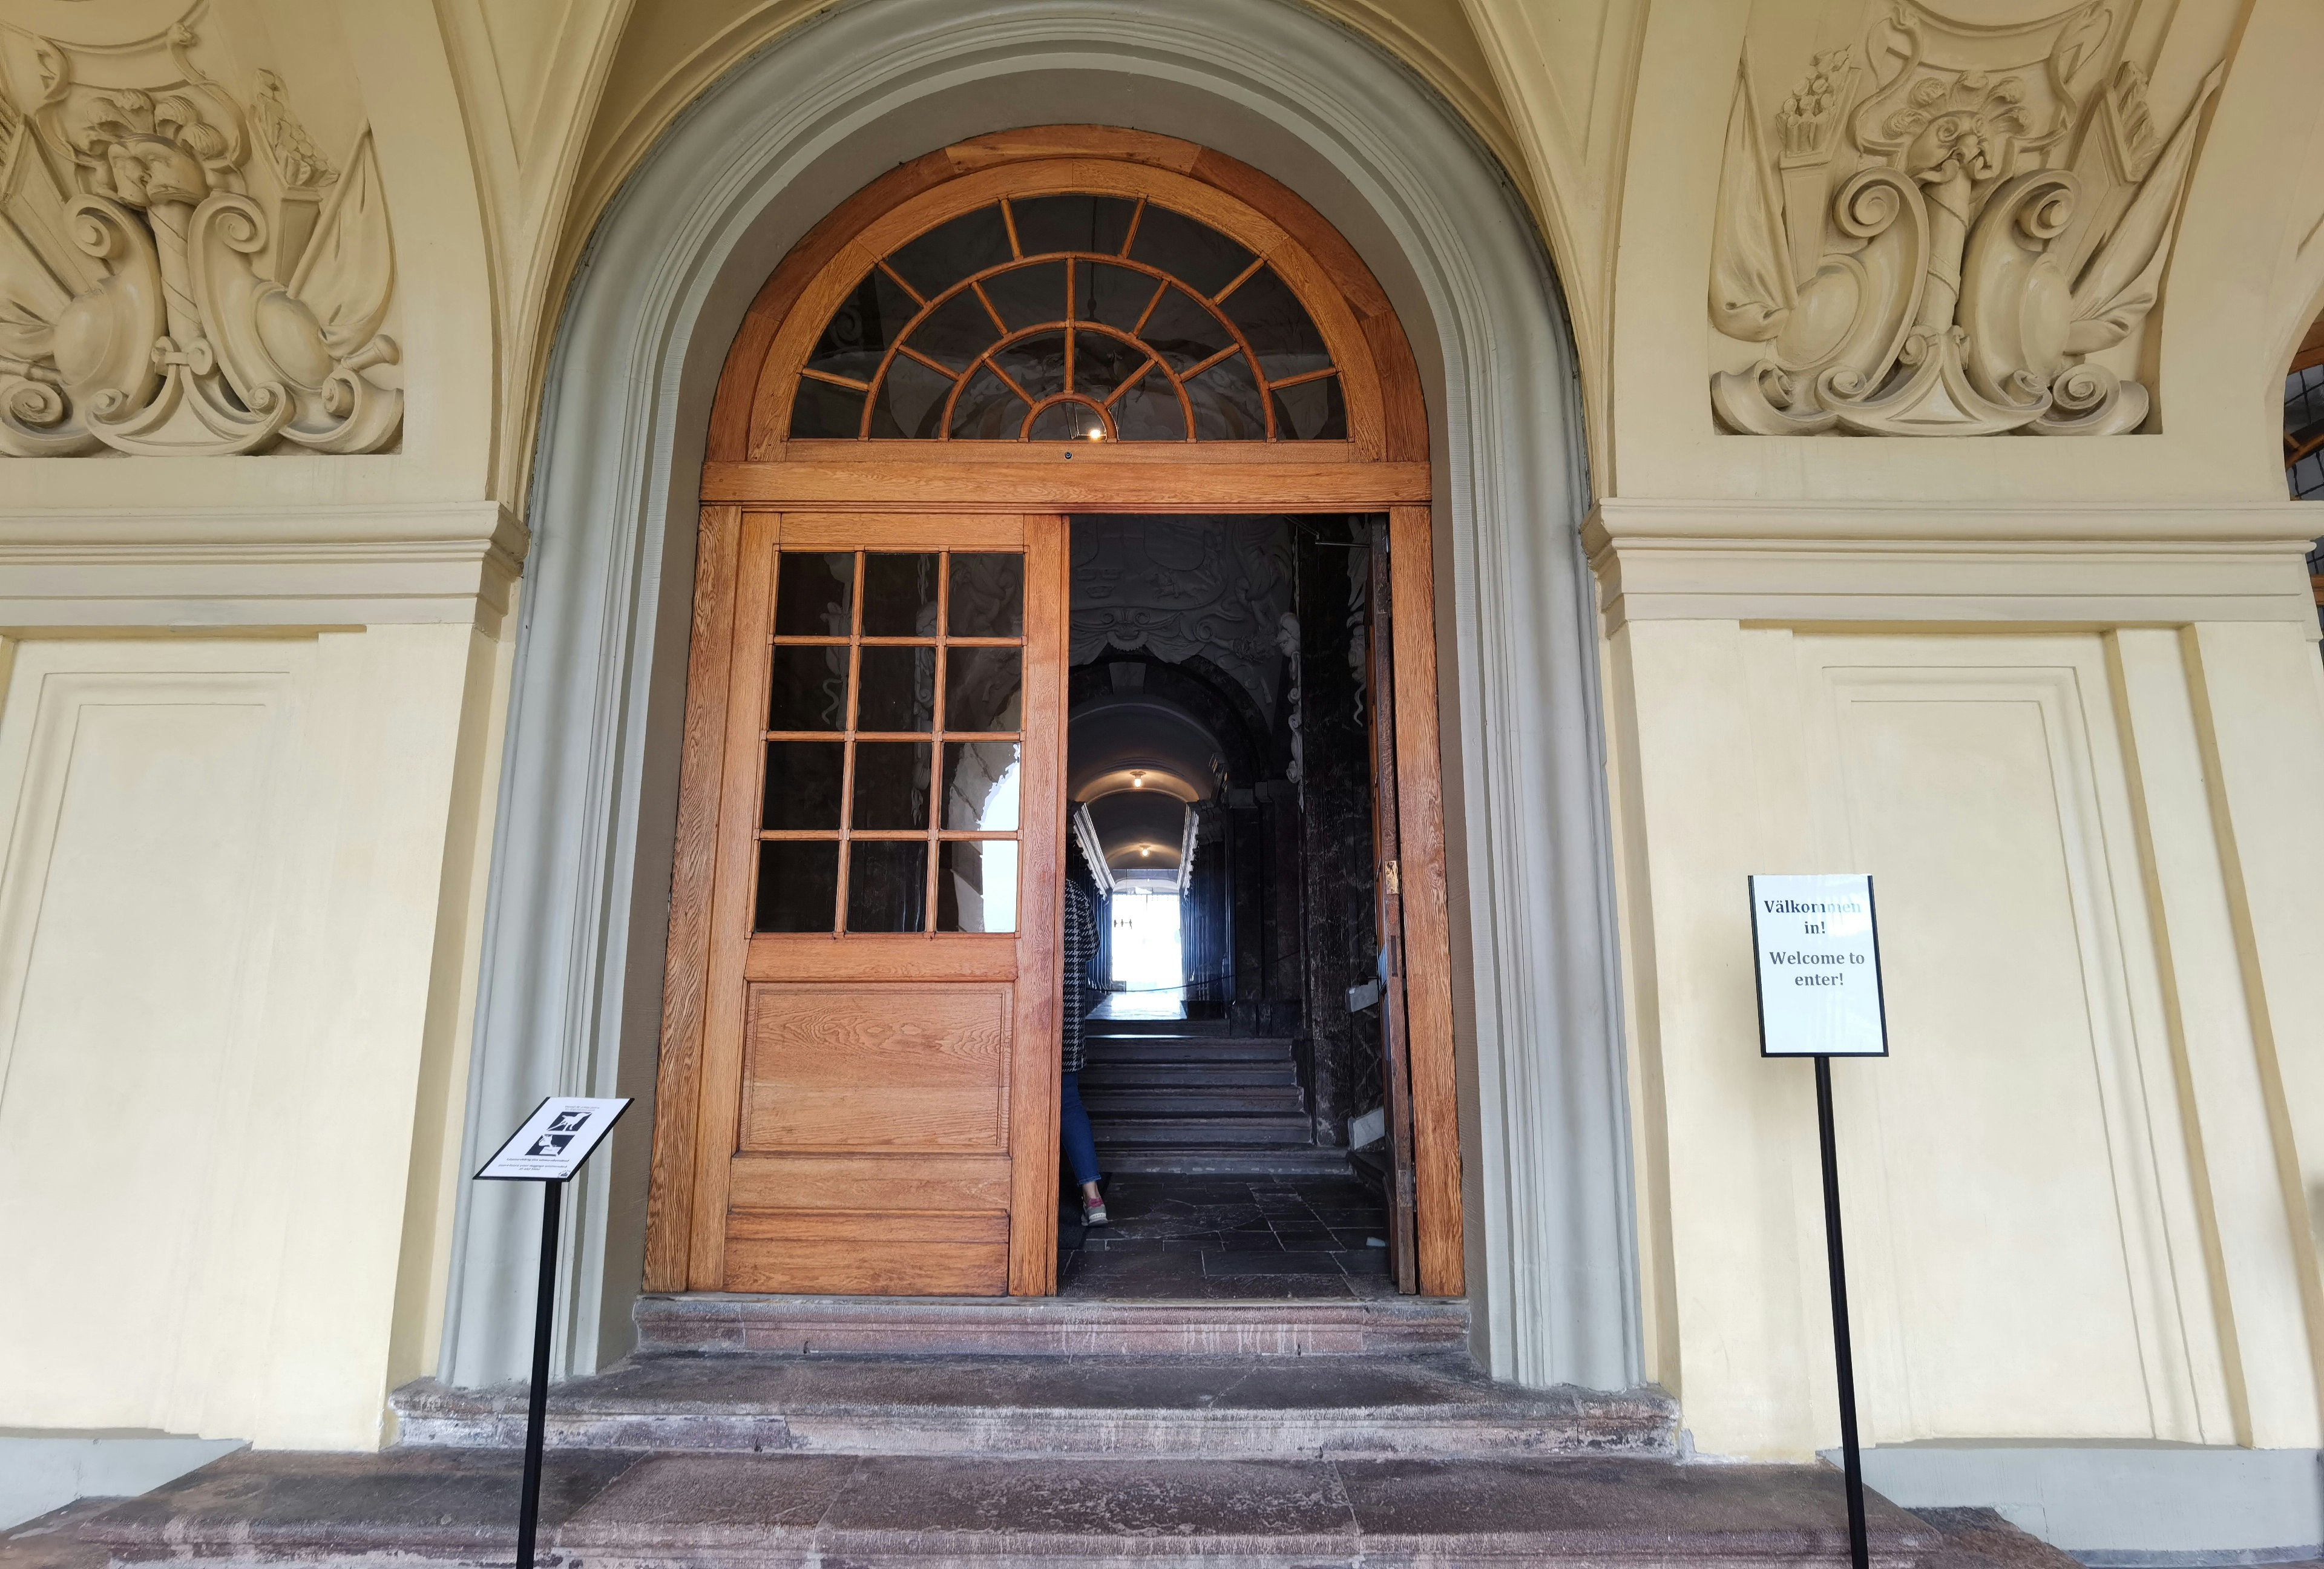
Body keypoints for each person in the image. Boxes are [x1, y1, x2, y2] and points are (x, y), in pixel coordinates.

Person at [1060, 843, 1106, 1226]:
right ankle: (1094, 1200)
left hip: (1022, 1016)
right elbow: (1091, 947)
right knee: (1069, 1103)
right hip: (1067, 1017)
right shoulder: (1074, 894)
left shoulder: (1021, 888)